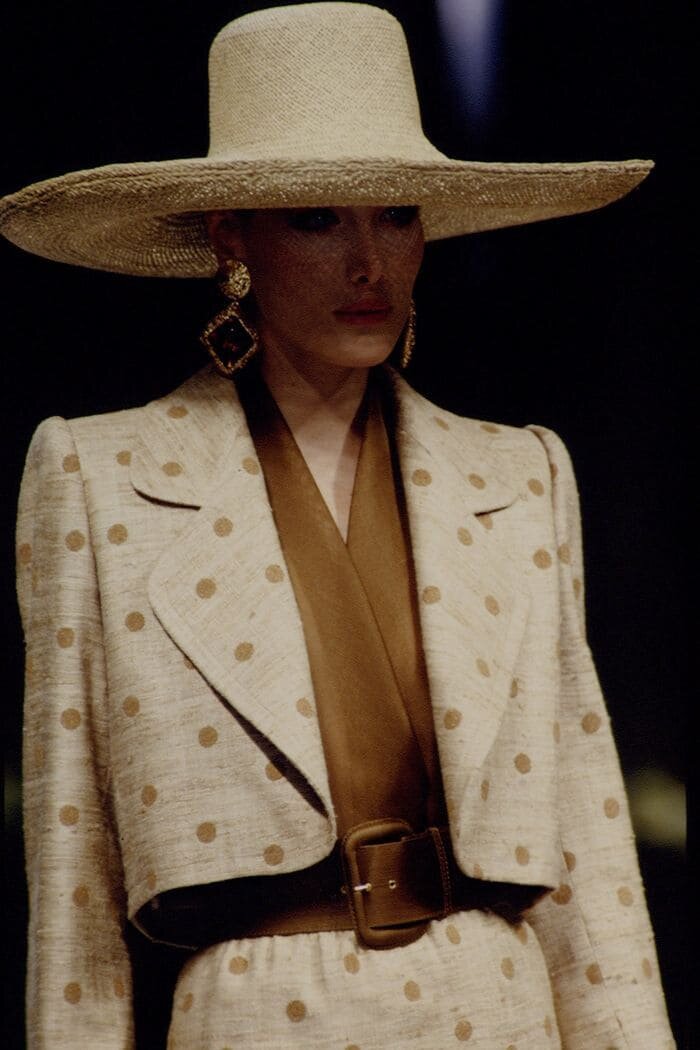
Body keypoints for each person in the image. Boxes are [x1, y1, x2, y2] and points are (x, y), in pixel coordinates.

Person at [1, 3, 676, 1048]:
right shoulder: (101, 479)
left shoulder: (518, 476)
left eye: (396, 215)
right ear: (234, 238)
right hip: (256, 1018)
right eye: (318, 219)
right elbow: (73, 884)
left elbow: (589, 858)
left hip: (498, 1010)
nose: (369, 262)